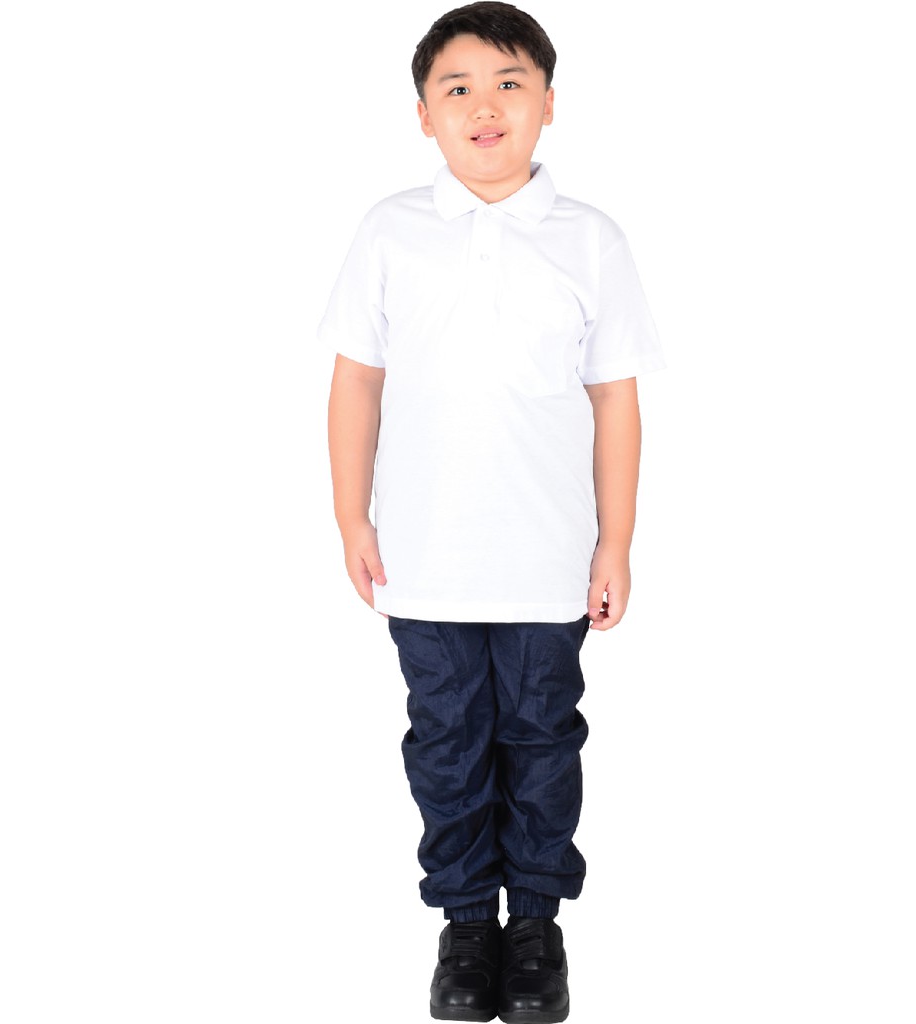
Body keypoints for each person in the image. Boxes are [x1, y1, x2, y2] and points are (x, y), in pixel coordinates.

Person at [319, 3, 665, 1020]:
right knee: (447, 739)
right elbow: (356, 382)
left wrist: (615, 542)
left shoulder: (589, 239)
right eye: (456, 87)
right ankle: (467, 924)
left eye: (509, 83)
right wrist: (351, 518)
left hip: (547, 560)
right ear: (423, 113)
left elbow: (615, 400)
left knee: (541, 737)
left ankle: (537, 929)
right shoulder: (391, 230)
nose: (484, 106)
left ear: (548, 103)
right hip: (424, 558)